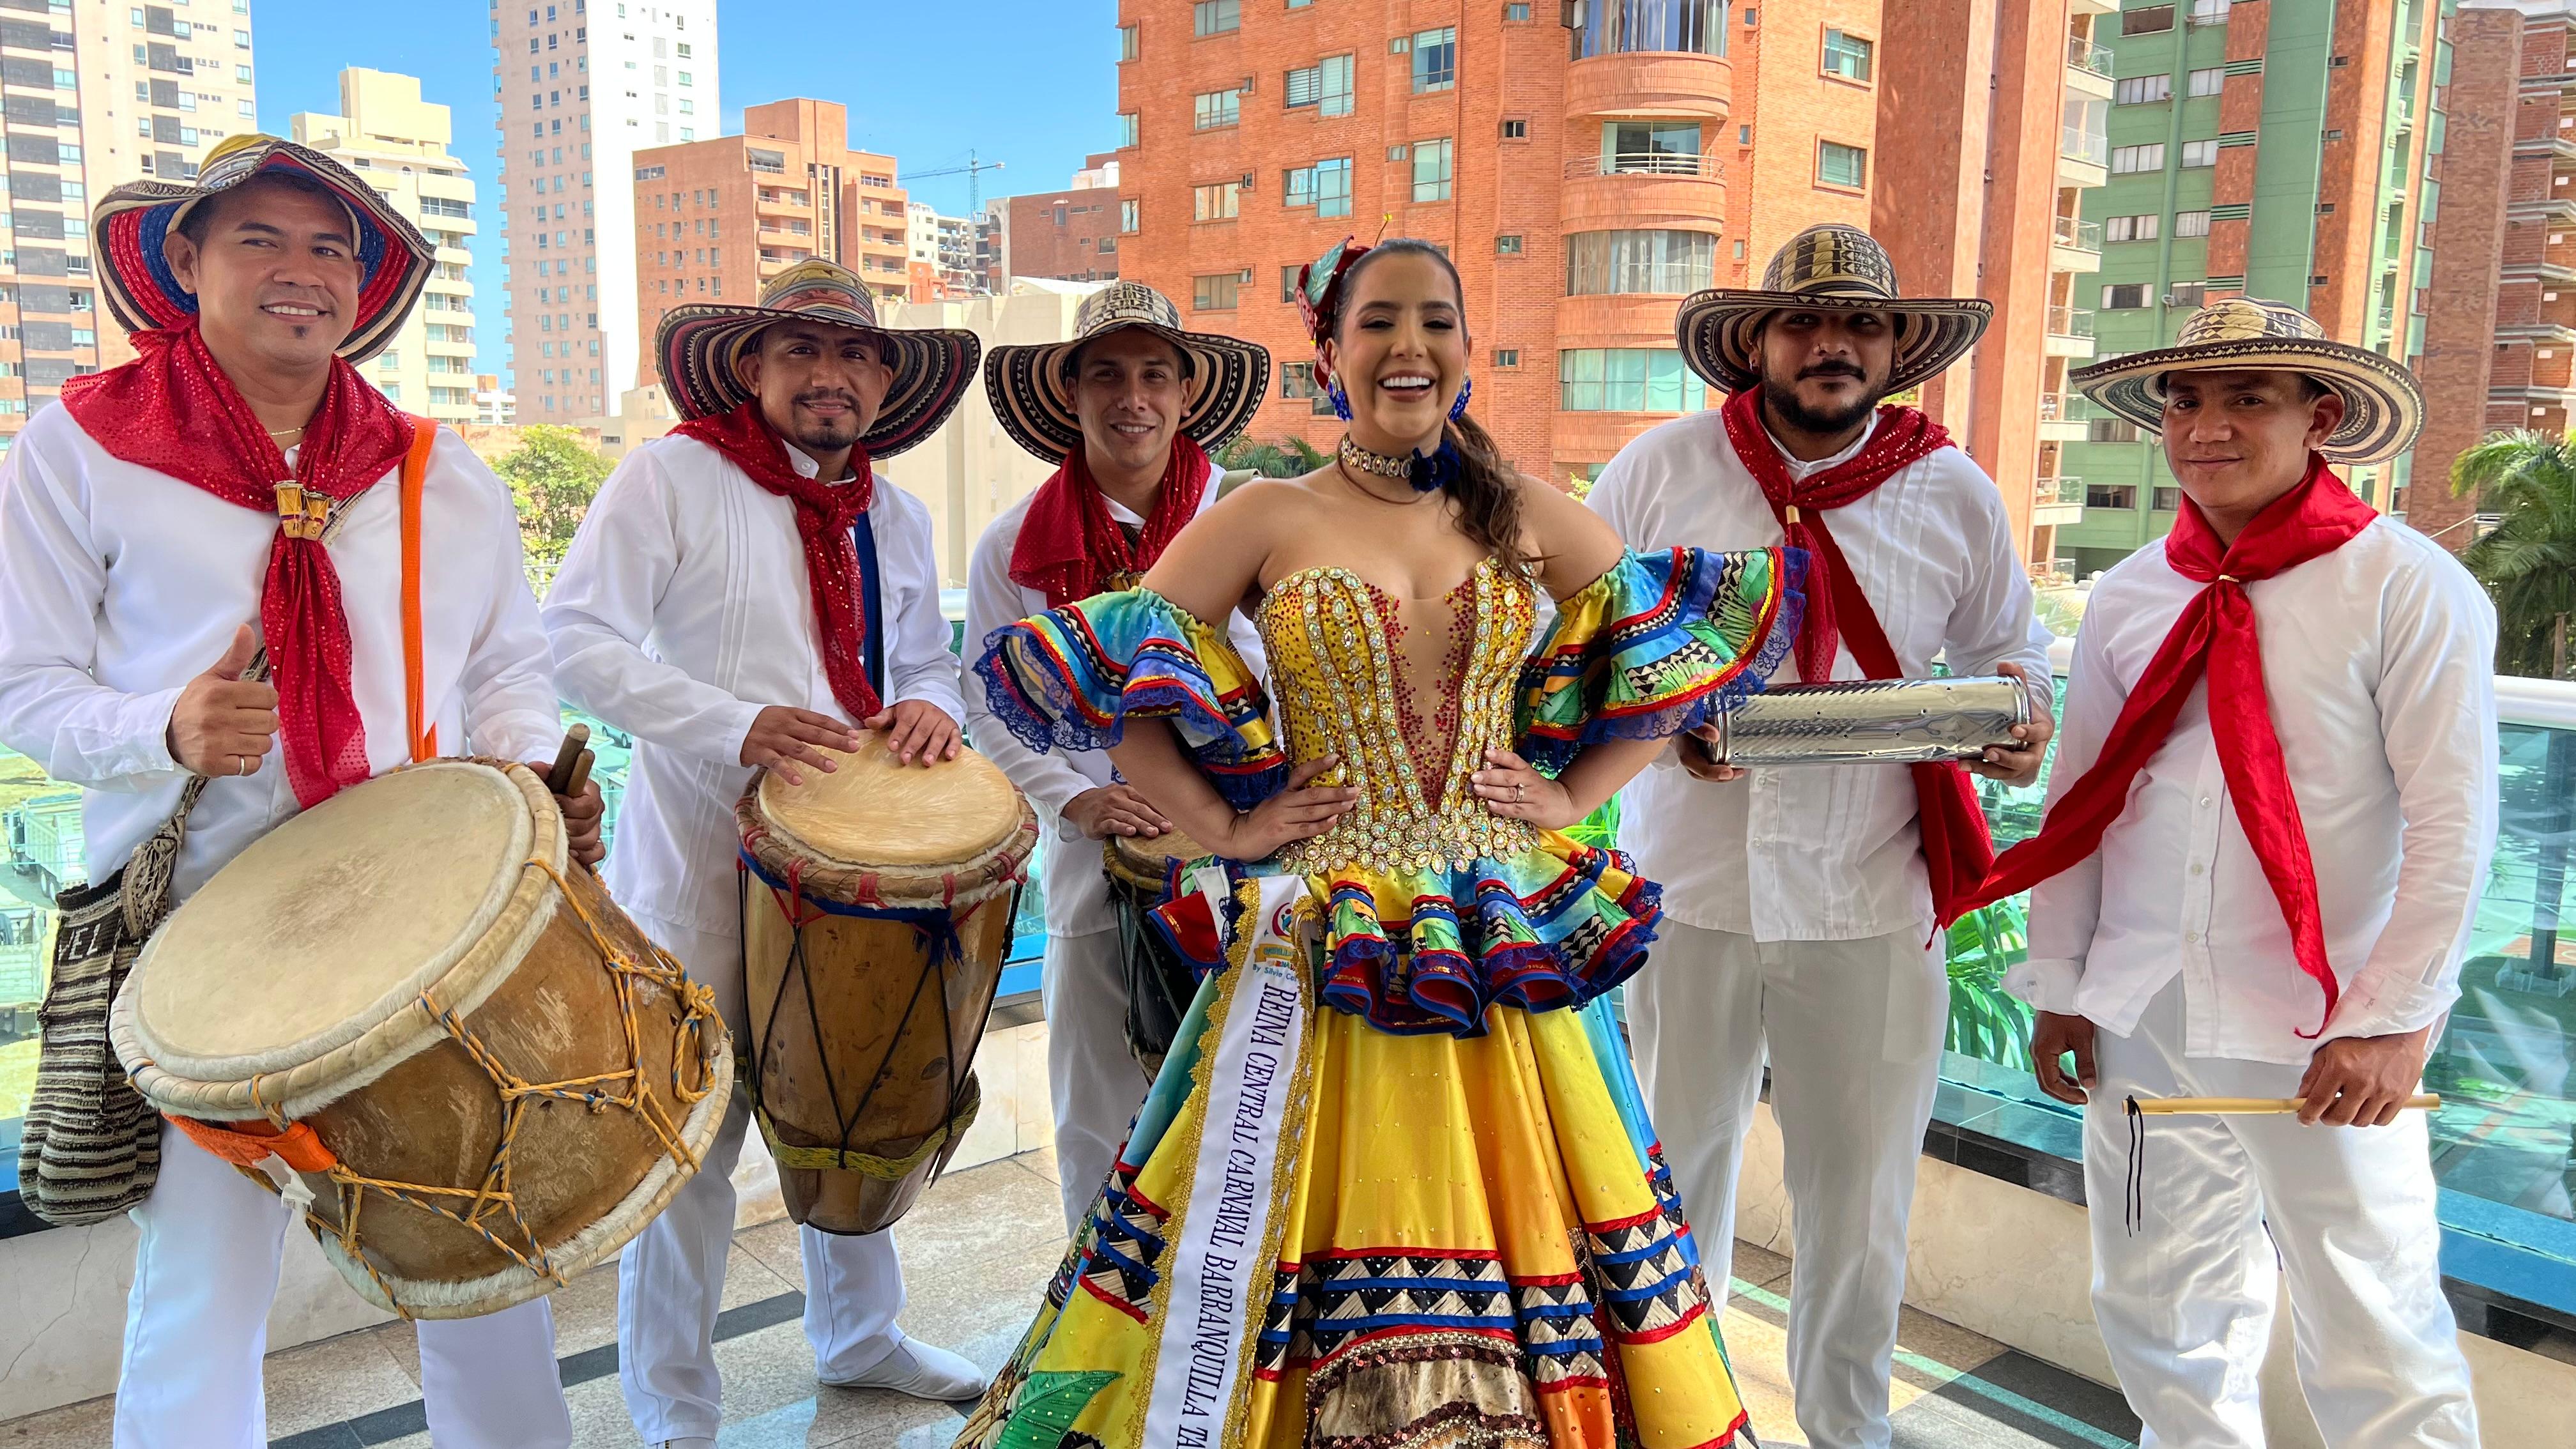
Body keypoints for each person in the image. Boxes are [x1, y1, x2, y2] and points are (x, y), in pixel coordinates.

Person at [956, 236, 1804, 1448]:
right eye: (1378, 324)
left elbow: (1668, 659)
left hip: (1498, 935)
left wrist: (1572, 800)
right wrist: (1224, 827)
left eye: (1436, 322)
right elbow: (1113, 683)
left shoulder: (1524, 514)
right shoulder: (1266, 511)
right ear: (1332, 353)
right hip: (1318, 929)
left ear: (1465, 348)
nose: (1409, 347)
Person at [0, 135, 591, 1449]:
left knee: (480, 1241)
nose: (301, 271)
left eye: (332, 246)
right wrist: (164, 724)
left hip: (421, 911)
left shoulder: (434, 466)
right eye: (259, 238)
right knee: (208, 1275)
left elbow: (511, 662)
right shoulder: (79, 450)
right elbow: (18, 684)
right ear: (187, 260)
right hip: (198, 926)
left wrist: (520, 769)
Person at [1981, 298, 2492, 1447]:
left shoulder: (2406, 586)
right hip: (2145, 1007)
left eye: (2246, 397)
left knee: (2377, 1320)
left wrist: (2396, 1020)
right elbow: (2084, 803)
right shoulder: (2127, 595)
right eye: (2188, 399)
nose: (2207, 424)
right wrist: (2063, 978)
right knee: (2160, 1300)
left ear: (2322, 416)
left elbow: (2456, 824)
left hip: (2325, 1025)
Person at [1584, 221, 2055, 1449]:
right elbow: (1572, 639)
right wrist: (1663, 709)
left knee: (1859, 1203)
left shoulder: (1953, 487)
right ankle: (1672, 1427)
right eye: (1806, 322)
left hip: (1871, 895)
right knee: (1667, 1188)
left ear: (1898, 345)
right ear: (1757, 342)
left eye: (1861, 324)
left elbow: (2015, 647)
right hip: (1688, 884)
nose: (1833, 344)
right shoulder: (1659, 471)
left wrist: (2020, 716)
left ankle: (1849, 1432)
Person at [542, 259, 991, 1445]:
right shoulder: (674, 475)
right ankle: (674, 1406)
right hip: (696, 862)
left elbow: (926, 661)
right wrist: (730, 725)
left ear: (886, 380)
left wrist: (932, 705)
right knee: (692, 1137)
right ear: (754, 369)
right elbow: (575, 641)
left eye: (853, 355)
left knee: (861, 1094)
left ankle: (859, 1335)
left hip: (858, 861)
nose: (828, 376)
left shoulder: (897, 514)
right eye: (800, 352)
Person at [965, 280, 1271, 1236]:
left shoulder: (1259, 519)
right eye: (1105, 375)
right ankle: (1092, 1335)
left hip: (1247, 852)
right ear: (1071, 394)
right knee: (1096, 1110)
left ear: (1186, 395)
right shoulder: (1013, 545)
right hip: (1094, 862)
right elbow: (989, 700)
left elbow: (1297, 674)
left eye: (1152, 375)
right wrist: (1079, 802)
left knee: (1251, 1100)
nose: (1130, 397)